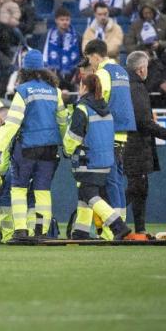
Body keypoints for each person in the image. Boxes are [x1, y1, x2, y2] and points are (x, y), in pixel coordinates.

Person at [0, 49, 67, 237]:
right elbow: (62, 121)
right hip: (50, 149)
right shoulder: (55, 92)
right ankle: (41, 231)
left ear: (24, 70)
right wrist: (67, 146)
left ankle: (20, 230)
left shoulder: (24, 90)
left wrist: (0, 148)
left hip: (26, 148)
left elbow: (12, 124)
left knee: (19, 188)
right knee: (43, 190)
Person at [63, 73, 132, 240]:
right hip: (105, 161)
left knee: (89, 194)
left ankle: (118, 226)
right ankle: (81, 231)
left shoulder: (82, 109)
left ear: (84, 88)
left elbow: (74, 137)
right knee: (84, 195)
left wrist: (66, 150)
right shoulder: (106, 109)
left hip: (87, 160)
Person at [124, 51, 166, 234]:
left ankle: (139, 230)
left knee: (137, 189)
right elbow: (143, 122)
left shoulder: (123, 85)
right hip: (136, 147)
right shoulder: (137, 88)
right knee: (136, 189)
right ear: (141, 69)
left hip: (126, 144)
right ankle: (110, 218)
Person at [83, 39, 136, 222]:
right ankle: (121, 221)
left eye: (89, 59)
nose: (90, 63)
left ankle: (117, 225)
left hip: (109, 133)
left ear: (95, 56)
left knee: (111, 181)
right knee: (117, 180)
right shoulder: (122, 72)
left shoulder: (103, 74)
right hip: (123, 132)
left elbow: (99, 100)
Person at [43, 6, 81, 78]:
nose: (65, 22)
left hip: (72, 73)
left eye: (67, 20)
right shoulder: (47, 35)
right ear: (56, 20)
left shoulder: (77, 36)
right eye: (62, 20)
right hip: (51, 73)